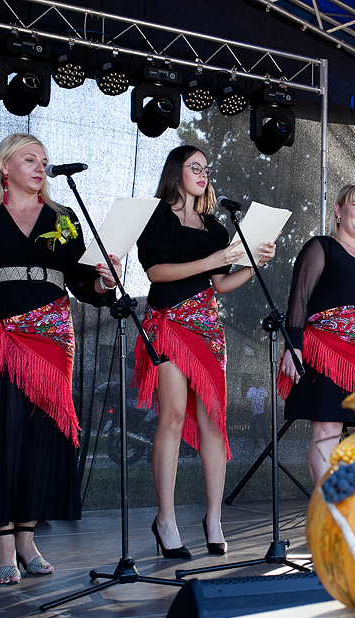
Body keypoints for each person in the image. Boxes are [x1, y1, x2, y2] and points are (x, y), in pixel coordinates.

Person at [0, 133, 121, 585]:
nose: (40, 167)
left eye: (44, 160)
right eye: (29, 158)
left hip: (52, 336)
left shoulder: (63, 217)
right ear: (4, 167)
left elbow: (83, 284)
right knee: (0, 429)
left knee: (41, 433)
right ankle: (1, 538)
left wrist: (105, 281)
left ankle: (27, 537)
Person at [132, 145, 276, 559]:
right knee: (173, 416)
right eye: (195, 166)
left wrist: (252, 265)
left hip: (207, 328)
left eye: (206, 168)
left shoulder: (215, 227)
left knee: (213, 419)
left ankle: (213, 518)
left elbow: (219, 284)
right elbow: (156, 272)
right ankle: (166, 520)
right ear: (176, 170)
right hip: (170, 325)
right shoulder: (157, 216)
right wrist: (213, 260)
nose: (203, 172)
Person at [278, 185, 355, 485]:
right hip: (326, 353)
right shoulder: (322, 247)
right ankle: (326, 510)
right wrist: (293, 347)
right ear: (338, 210)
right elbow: (300, 299)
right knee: (327, 431)